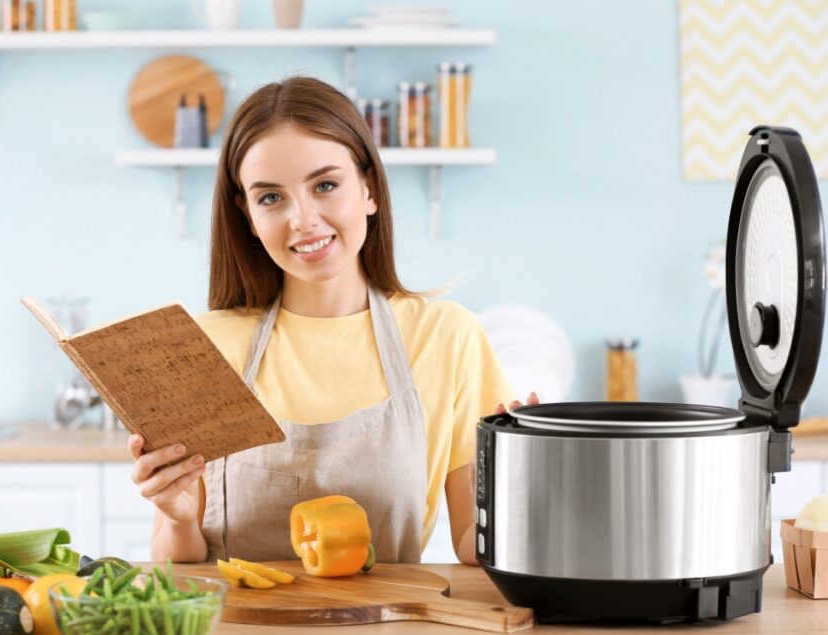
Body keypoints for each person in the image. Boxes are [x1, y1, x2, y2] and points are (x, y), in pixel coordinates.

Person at [128, 76, 535, 566]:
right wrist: (174, 516)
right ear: (248, 217)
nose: (303, 219)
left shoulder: (448, 337)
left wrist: (527, 477)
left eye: (325, 185)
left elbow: (476, 543)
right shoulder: (202, 347)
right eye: (271, 198)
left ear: (368, 190)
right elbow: (180, 561)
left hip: (389, 633)